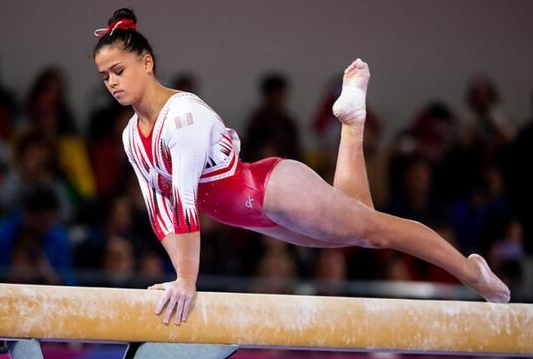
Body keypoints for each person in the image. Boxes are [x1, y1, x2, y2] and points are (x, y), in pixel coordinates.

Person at [91, 8, 510, 326]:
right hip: (256, 214)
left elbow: (184, 203)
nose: (111, 82)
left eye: (119, 70)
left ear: (147, 62)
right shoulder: (132, 136)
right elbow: (160, 210)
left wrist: (186, 279)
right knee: (362, 222)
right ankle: (351, 122)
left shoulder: (181, 116)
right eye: (105, 75)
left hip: (272, 189)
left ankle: (472, 272)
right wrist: (180, 275)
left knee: (377, 230)